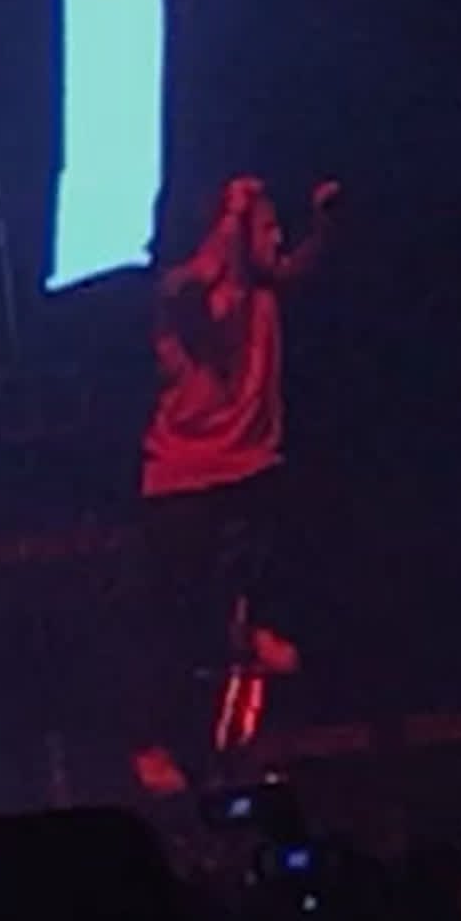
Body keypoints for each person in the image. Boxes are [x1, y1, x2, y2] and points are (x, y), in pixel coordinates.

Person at [130, 174, 338, 792]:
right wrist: (231, 218)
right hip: (184, 471)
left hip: (250, 459)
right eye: (262, 228)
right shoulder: (183, 290)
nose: (272, 238)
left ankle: (253, 627)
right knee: (175, 618)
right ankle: (151, 742)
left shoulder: (264, 291)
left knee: (286, 535)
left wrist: (322, 225)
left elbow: (295, 267)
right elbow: (201, 291)